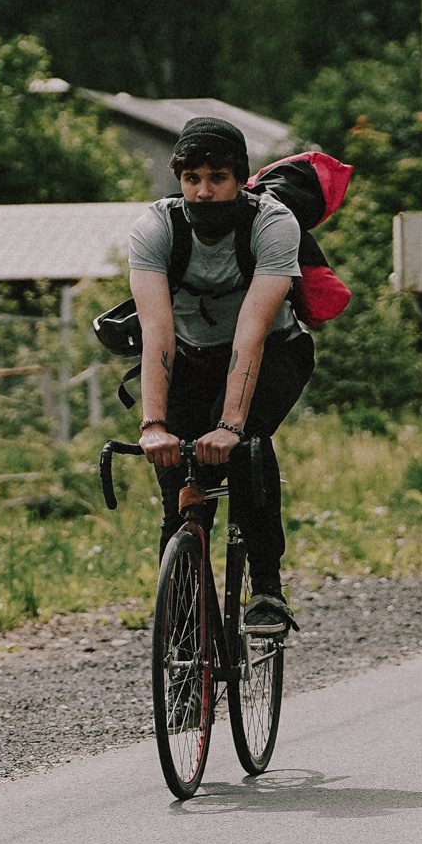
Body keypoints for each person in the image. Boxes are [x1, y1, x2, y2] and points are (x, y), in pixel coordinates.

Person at [127, 117, 316, 637]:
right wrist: (153, 425)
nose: (203, 191)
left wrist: (230, 426)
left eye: (218, 178)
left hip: (274, 351)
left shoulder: (272, 225)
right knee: (180, 493)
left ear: (240, 179)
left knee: (246, 446)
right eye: (192, 178)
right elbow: (157, 334)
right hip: (189, 357)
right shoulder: (156, 228)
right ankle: (187, 646)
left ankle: (268, 593)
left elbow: (251, 334)